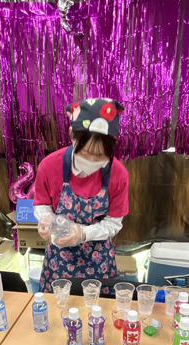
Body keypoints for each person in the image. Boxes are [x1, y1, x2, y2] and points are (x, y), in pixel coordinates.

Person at [33, 98, 129, 292]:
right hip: (59, 261)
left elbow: (113, 223)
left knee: (98, 308)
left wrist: (83, 234)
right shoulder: (49, 166)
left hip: (99, 262)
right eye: (85, 153)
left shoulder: (118, 174)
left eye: (100, 156)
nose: (91, 161)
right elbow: (41, 204)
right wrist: (46, 219)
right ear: (72, 135)